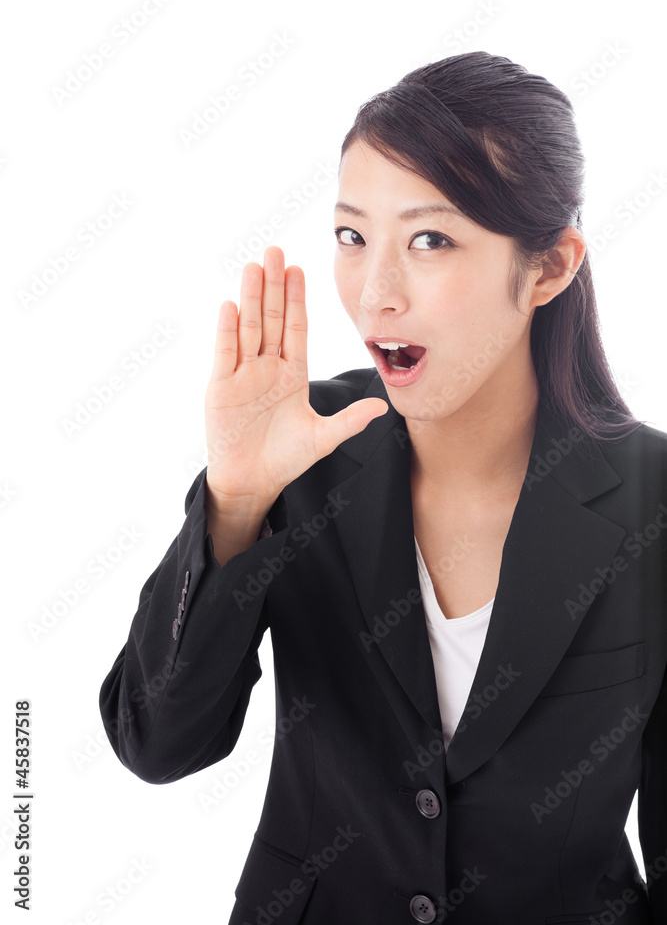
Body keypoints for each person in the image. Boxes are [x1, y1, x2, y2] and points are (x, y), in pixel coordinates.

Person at [99, 50, 667, 924]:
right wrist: (238, 502)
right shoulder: (300, 447)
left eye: (429, 240)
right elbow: (157, 744)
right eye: (353, 236)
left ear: (548, 269)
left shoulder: (651, 498)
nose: (374, 294)